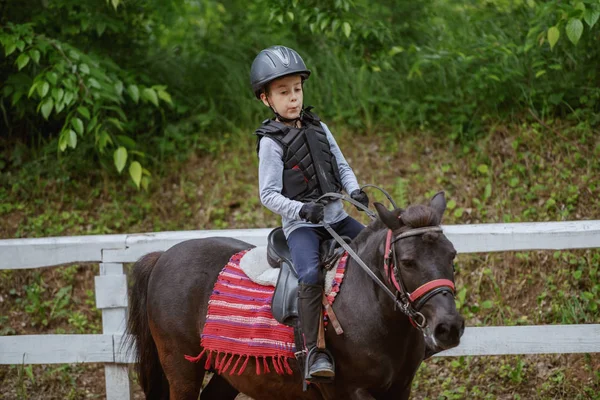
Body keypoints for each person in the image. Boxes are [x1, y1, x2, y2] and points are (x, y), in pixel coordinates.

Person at [250, 45, 369, 381]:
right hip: (303, 228)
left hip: (337, 218)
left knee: (380, 248)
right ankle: (314, 351)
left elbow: (341, 164)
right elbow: (268, 194)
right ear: (266, 99)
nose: (293, 99)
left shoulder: (320, 127)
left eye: (297, 90)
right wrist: (302, 209)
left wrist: (354, 190)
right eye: (283, 93)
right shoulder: (271, 143)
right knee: (311, 274)